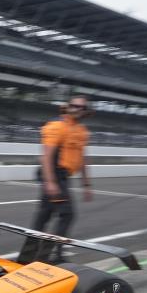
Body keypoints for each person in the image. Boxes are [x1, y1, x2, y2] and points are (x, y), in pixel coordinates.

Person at [31, 95, 93, 241]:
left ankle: (30, 253)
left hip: (63, 176)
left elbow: (82, 158)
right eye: (74, 106)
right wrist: (51, 182)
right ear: (67, 107)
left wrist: (86, 184)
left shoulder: (82, 131)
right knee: (67, 213)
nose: (78, 109)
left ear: (86, 111)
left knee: (45, 214)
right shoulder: (57, 126)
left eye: (82, 107)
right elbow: (46, 157)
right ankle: (55, 253)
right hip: (53, 174)